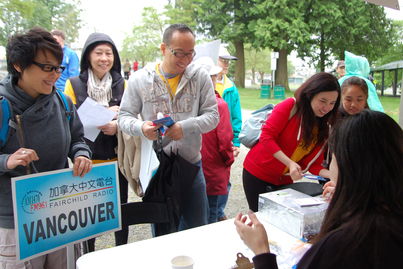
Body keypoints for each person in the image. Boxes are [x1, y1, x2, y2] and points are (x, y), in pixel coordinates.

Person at [235, 110, 403, 268]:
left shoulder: (345, 244)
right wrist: (348, 190)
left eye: (333, 158)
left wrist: (261, 251)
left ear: (347, 166)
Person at [0, 27, 92, 269]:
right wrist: (6, 161)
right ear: (19, 65)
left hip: (59, 213)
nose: (54, 75)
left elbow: (78, 139)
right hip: (16, 222)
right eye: (47, 67)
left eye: (58, 68)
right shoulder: (2, 107)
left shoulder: (63, 101)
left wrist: (81, 154)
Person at [117, 24, 219, 231]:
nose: (186, 60)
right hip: (157, 168)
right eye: (179, 53)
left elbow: (213, 116)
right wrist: (141, 127)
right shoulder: (139, 79)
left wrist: (187, 126)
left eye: (191, 54)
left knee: (198, 229)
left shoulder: (199, 77)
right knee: (163, 232)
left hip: (191, 165)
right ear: (163, 49)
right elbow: (123, 117)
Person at [64, 32, 129, 252]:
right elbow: (69, 120)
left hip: (118, 161)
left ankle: (122, 253)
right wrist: (105, 112)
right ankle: (88, 256)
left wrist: (117, 125)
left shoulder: (123, 84)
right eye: (98, 53)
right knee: (89, 217)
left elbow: (132, 117)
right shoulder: (74, 85)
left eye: (109, 53)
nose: (104, 58)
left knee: (121, 212)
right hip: (88, 161)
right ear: (88, 56)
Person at [243, 72, 340, 212]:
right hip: (257, 173)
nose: (327, 108)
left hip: (284, 180)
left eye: (332, 103)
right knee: (259, 215)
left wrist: (335, 175)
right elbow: (266, 136)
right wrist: (289, 163)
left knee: (281, 219)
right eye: (323, 101)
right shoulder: (291, 106)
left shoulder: (324, 126)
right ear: (310, 95)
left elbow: (313, 164)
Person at [195, 56, 235, 224]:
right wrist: (229, 159)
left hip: (194, 166)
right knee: (211, 213)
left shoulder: (191, 102)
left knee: (194, 214)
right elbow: (225, 140)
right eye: (214, 77)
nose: (216, 80)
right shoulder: (218, 105)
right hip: (214, 167)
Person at [216, 45, 242, 221]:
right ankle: (212, 212)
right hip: (208, 142)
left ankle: (219, 212)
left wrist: (237, 141)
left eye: (228, 61)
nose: (226, 64)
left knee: (226, 178)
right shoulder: (203, 83)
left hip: (226, 142)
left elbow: (236, 117)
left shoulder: (231, 88)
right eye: (222, 59)